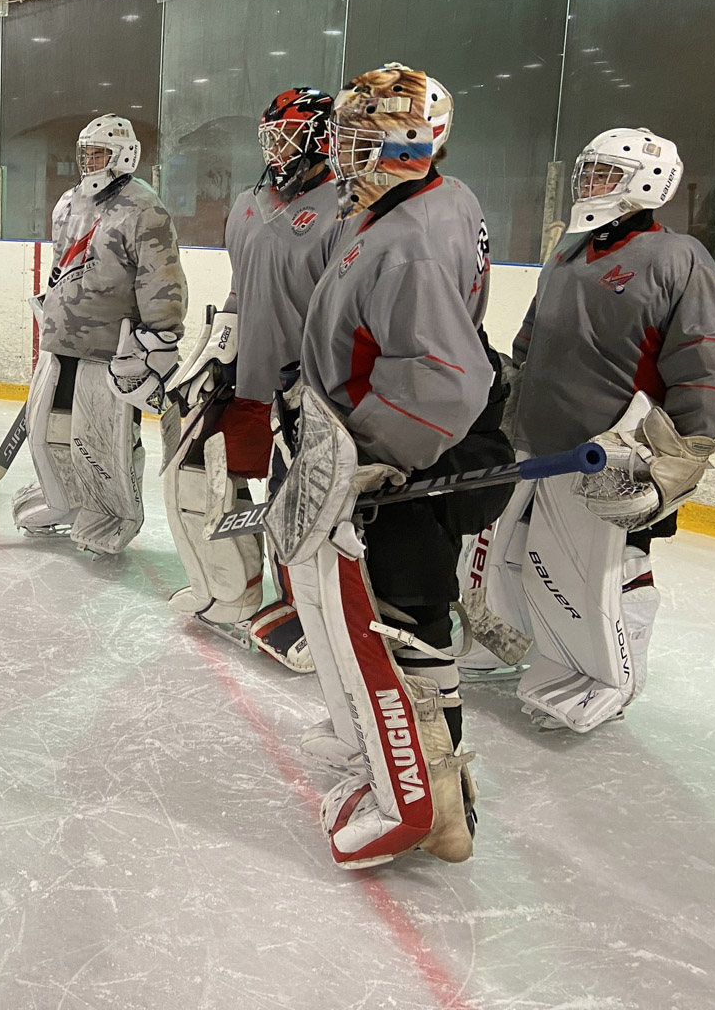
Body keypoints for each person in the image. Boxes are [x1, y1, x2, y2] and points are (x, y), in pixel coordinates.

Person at [286, 62, 508, 866]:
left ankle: (437, 804)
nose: (341, 152)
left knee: (404, 622)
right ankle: (415, 774)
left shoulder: (410, 237)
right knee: (399, 618)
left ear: (412, 140)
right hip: (413, 442)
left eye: (360, 136)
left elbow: (440, 379)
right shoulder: (421, 203)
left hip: (415, 456)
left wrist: (374, 456)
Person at [473, 128, 715, 732]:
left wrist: (684, 450)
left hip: (617, 456)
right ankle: (542, 652)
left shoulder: (678, 258)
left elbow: (708, 359)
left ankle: (615, 677)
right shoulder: (569, 250)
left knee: (618, 567)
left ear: (647, 183)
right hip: (540, 445)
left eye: (603, 174)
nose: (588, 185)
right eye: (587, 172)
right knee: (526, 557)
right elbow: (532, 340)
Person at [165, 88, 339, 672]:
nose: (274, 147)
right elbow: (242, 288)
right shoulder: (247, 202)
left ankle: (306, 612)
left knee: (299, 505)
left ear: (318, 139)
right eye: (269, 136)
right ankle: (234, 591)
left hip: (308, 390)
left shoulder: (345, 208)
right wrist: (215, 351)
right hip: (246, 378)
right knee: (209, 481)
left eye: (287, 134)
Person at [11, 115, 187, 555]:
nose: (89, 162)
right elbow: (60, 268)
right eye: (86, 152)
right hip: (61, 342)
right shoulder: (68, 203)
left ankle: (112, 511)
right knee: (49, 428)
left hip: (110, 347)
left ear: (125, 155)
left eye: (99, 153)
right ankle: (64, 498)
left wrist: (161, 336)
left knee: (102, 438)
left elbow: (159, 277)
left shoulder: (144, 208)